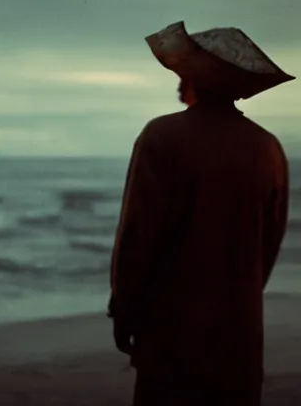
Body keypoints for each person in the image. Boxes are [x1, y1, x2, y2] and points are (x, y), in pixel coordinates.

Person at [108, 21, 293, 406]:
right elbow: (268, 246)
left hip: (171, 331)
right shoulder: (268, 148)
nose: (178, 80)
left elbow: (138, 236)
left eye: (184, 72)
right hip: (238, 332)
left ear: (199, 80)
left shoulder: (162, 136)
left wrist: (124, 309)